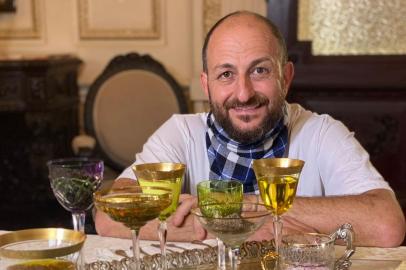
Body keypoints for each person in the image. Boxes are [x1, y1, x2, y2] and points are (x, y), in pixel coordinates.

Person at [95, 11, 405, 247]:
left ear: (286, 76)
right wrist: (269, 226)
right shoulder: (180, 133)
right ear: (206, 85)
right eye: (226, 74)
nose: (243, 93)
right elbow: (110, 219)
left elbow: (386, 225)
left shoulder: (321, 133)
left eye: (259, 70)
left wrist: (241, 206)